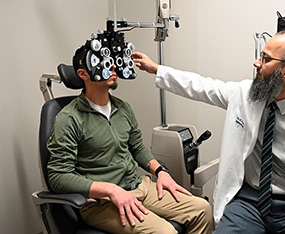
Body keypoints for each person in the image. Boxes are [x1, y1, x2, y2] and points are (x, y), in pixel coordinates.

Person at [132, 30, 285, 234]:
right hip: (249, 201)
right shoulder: (245, 95)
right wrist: (157, 69)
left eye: (265, 58)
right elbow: (203, 87)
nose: (256, 62)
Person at [46, 45, 213, 234]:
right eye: (101, 62)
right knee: (165, 232)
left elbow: (137, 147)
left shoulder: (123, 108)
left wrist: (160, 171)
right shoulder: (69, 118)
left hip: (139, 186)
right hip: (102, 202)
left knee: (202, 210)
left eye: (112, 62)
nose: (113, 68)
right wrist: (110, 190)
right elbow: (58, 177)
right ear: (83, 74)